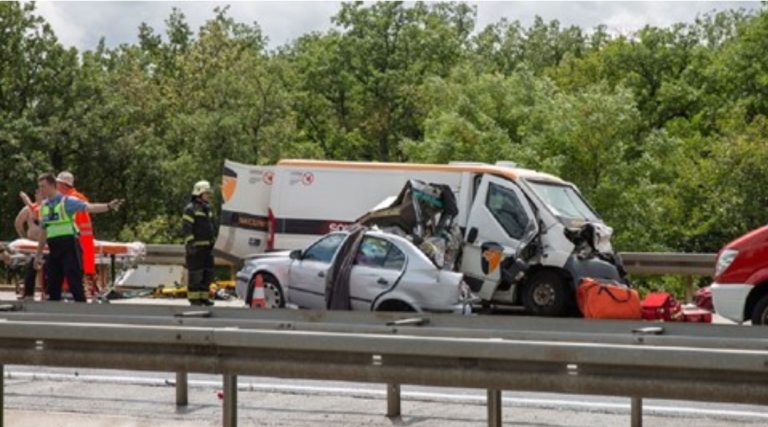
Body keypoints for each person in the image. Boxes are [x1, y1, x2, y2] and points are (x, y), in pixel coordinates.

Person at [33, 173, 123, 302]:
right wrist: (38, 254)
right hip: (54, 247)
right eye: (39, 187)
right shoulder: (44, 206)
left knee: (73, 279)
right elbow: (43, 232)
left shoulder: (67, 201)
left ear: (53, 186)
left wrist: (108, 206)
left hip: (69, 245)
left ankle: (81, 309)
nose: (41, 190)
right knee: (52, 282)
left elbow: (89, 207)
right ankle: (53, 314)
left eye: (43, 186)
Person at [56, 172, 97, 277]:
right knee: (81, 267)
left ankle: (69, 289)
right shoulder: (79, 198)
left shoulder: (69, 200)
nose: (56, 186)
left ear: (63, 185)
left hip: (75, 239)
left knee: (72, 268)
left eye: (57, 183)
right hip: (84, 240)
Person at [183, 180, 217, 306]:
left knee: (207, 274)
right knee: (196, 275)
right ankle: (194, 299)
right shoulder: (190, 209)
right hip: (196, 248)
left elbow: (212, 226)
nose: (208, 196)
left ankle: (204, 297)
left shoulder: (207, 208)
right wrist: (191, 243)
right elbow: (187, 227)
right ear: (199, 193)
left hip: (208, 247)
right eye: (206, 193)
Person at [15, 190, 44, 299]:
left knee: (48, 267)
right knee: (31, 267)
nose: (39, 195)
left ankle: (48, 292)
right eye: (37, 193)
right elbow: (18, 223)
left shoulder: (48, 207)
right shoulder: (28, 210)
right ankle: (28, 293)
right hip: (32, 243)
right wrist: (24, 237)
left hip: (46, 243)